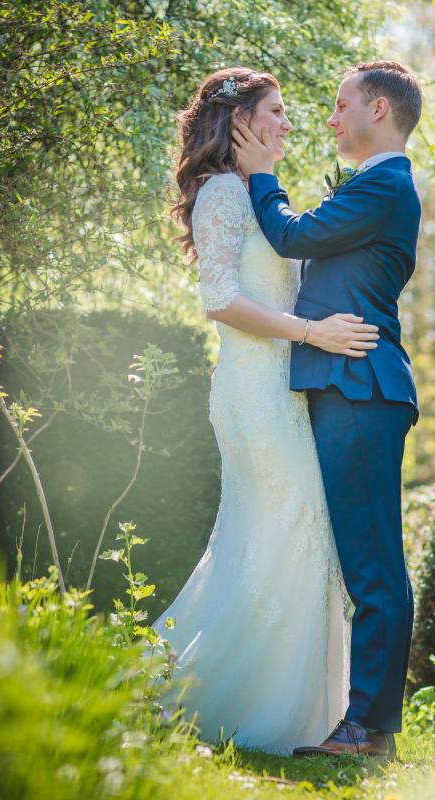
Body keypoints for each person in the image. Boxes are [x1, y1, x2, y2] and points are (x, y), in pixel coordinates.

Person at [149, 66, 380, 755]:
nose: (289, 122)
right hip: (254, 394)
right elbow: (219, 299)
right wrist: (313, 334)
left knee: (274, 538)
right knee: (296, 527)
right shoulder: (221, 192)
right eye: (276, 110)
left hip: (282, 392)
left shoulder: (254, 194)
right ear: (240, 122)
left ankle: (284, 708)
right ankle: (254, 708)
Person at [232, 60, 423, 761]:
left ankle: (369, 729)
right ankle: (369, 726)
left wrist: (260, 175)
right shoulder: (377, 184)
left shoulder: (384, 181)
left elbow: (292, 236)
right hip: (346, 384)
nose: (331, 118)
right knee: (364, 559)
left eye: (341, 105)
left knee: (373, 563)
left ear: (378, 107)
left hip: (360, 386)